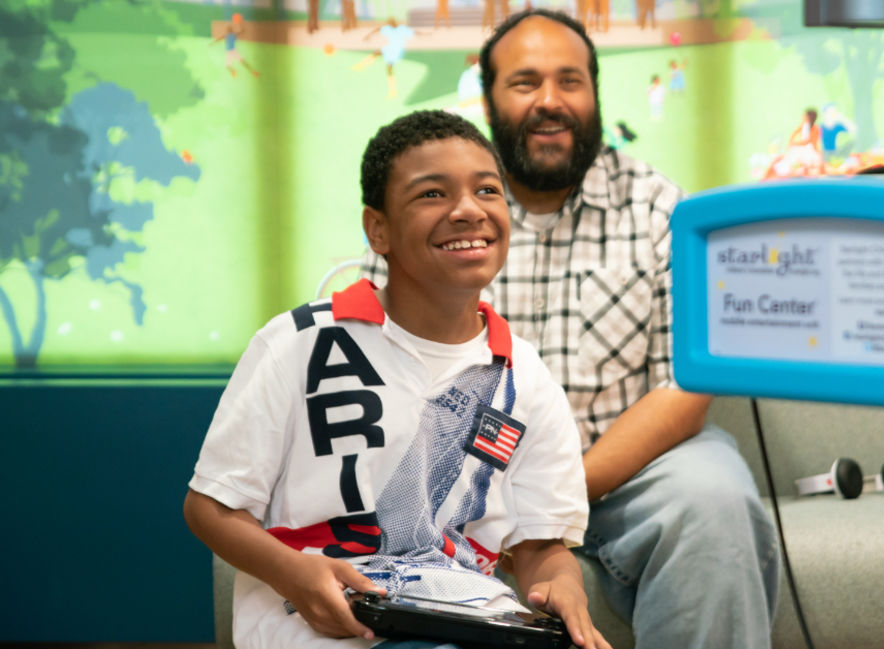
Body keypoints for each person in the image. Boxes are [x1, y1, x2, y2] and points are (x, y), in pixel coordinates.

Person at [360, 10, 780, 649]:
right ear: (489, 99)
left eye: (570, 81)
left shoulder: (661, 209)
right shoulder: (430, 213)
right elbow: (385, 373)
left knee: (716, 498)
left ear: (596, 94)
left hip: (626, 473)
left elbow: (684, 383)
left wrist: (556, 491)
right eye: (525, 83)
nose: (550, 101)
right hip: (464, 479)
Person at [184, 110, 610, 649]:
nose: (467, 210)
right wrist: (295, 573)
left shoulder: (526, 377)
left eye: (487, 190)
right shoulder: (297, 341)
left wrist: (562, 588)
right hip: (315, 622)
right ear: (377, 229)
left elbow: (540, 549)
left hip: (468, 617)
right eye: (432, 194)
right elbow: (210, 507)